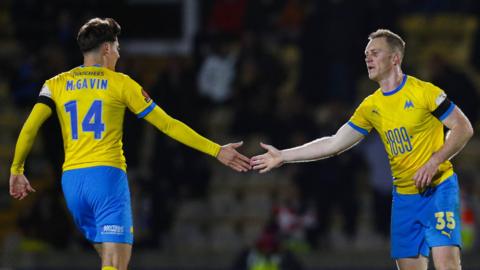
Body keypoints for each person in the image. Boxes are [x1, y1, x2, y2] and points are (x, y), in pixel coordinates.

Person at [9, 17, 251, 270]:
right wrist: (216, 150)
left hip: (72, 183)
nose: (118, 54)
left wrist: (16, 169)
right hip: (106, 178)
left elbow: (29, 129)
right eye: (116, 48)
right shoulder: (121, 83)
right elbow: (167, 124)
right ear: (105, 49)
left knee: (108, 259)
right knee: (116, 263)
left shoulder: (55, 84)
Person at [251, 29, 474, 270]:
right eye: (366, 54)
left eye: (375, 53)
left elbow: (463, 127)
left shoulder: (424, 92)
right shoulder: (371, 106)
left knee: (447, 266)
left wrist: (434, 161)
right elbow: (334, 143)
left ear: (395, 58)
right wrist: (284, 155)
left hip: (438, 189)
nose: (368, 58)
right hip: (404, 198)